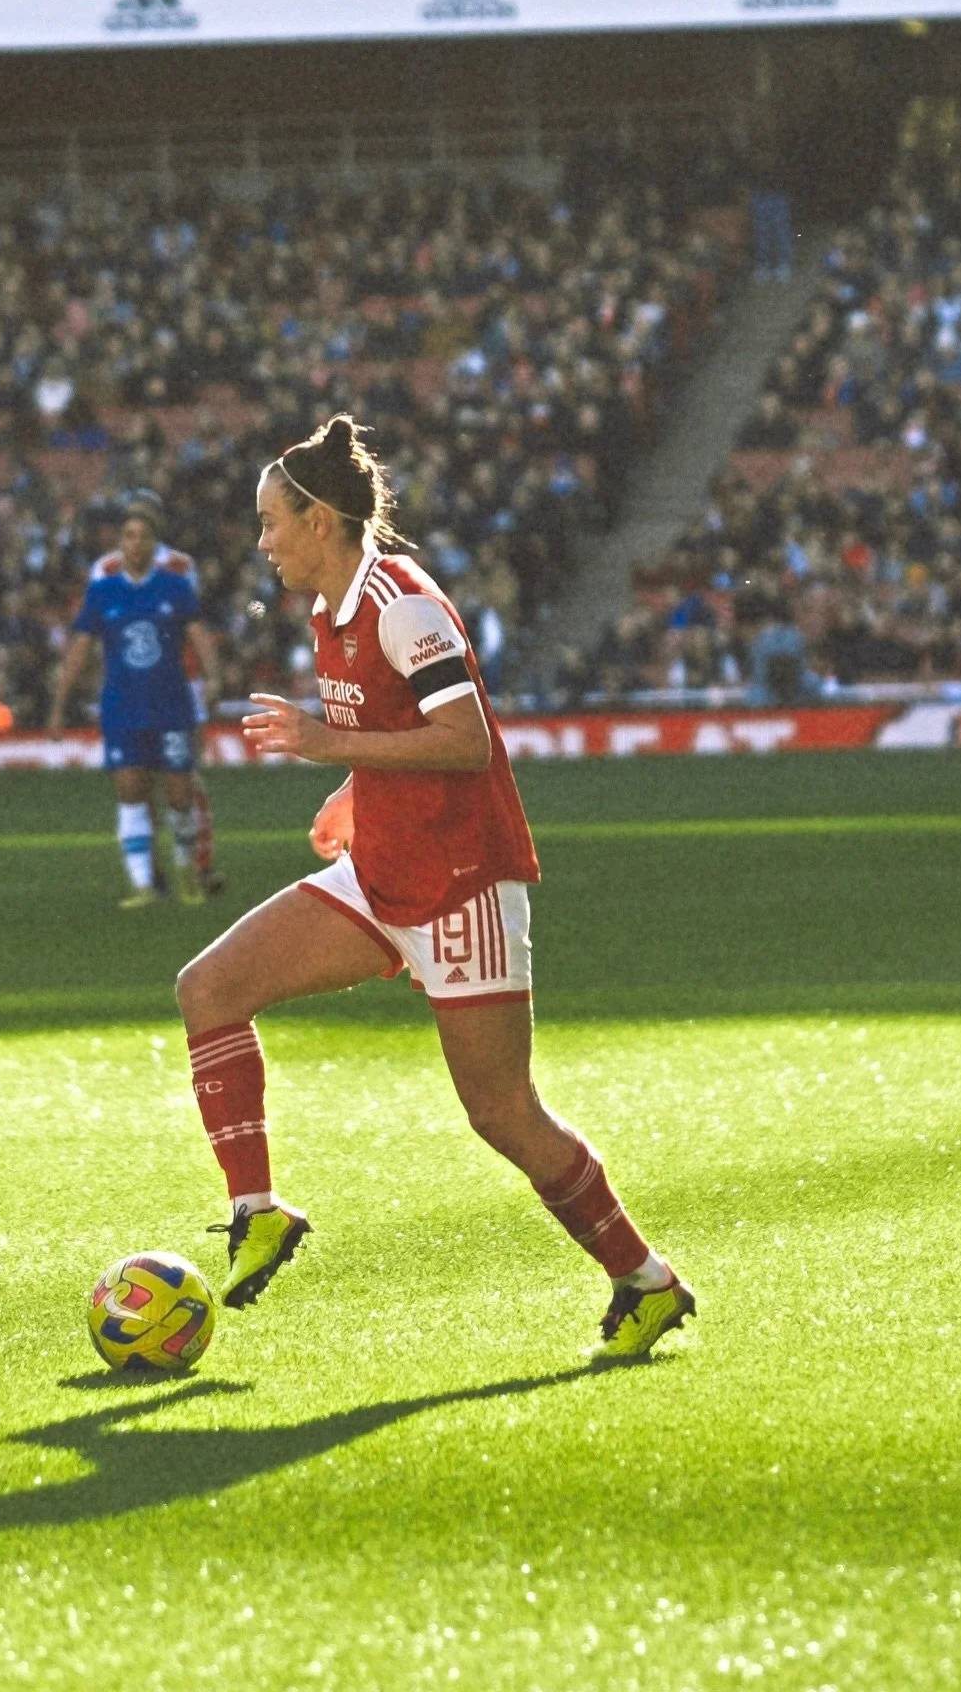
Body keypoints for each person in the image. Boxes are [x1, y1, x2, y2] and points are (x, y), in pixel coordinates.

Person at [175, 418, 695, 1359]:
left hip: (462, 887)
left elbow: (467, 741)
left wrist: (331, 747)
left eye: (268, 522)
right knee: (208, 988)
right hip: (384, 872)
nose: (260, 542)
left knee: (503, 1114)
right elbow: (399, 725)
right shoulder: (333, 607)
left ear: (320, 519)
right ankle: (255, 1210)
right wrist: (353, 788)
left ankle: (644, 1281)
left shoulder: (400, 607)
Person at [50, 499, 221, 907]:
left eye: (143, 536)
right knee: (130, 792)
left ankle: (185, 873)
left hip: (172, 705)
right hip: (122, 708)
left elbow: (198, 635)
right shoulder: (102, 590)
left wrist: (213, 678)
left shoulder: (176, 586)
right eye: (128, 535)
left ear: (153, 542)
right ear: (120, 542)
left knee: (180, 795)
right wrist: (59, 702)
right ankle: (142, 884)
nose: (135, 542)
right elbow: (79, 649)